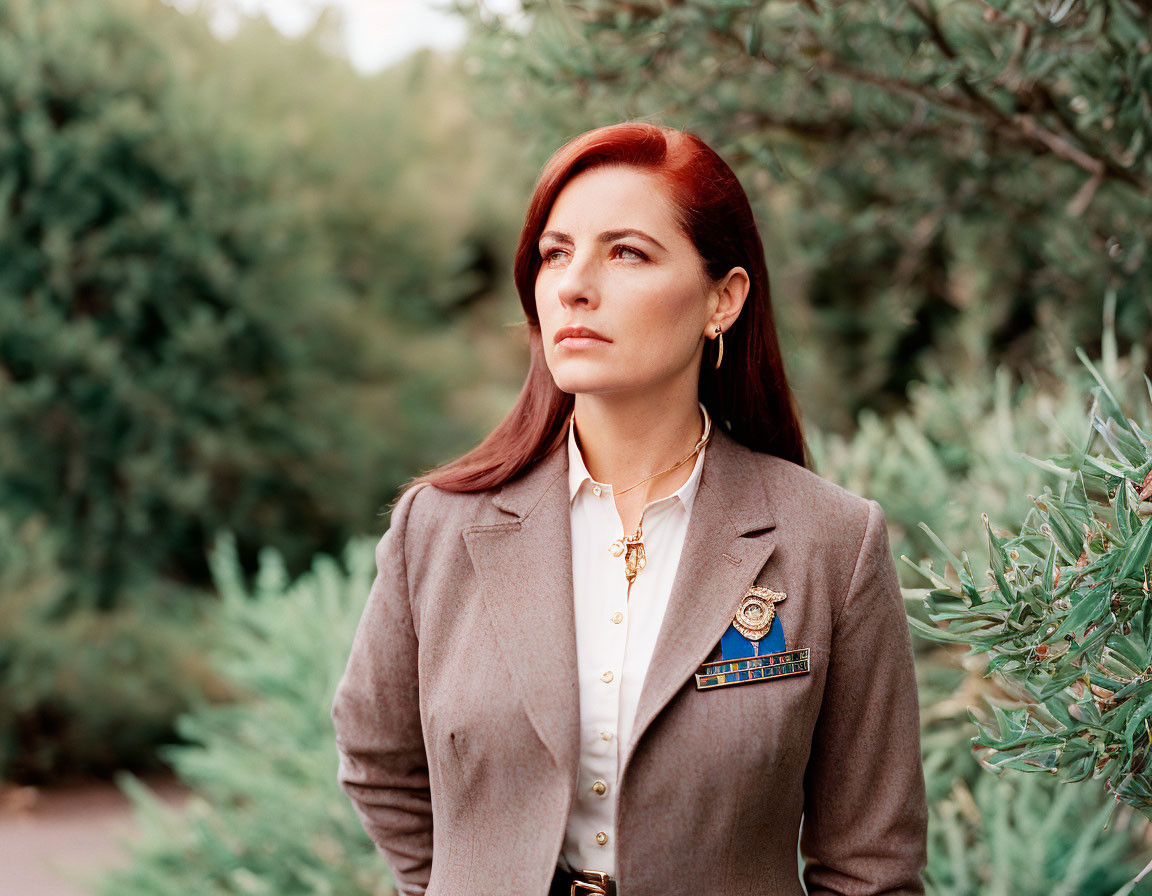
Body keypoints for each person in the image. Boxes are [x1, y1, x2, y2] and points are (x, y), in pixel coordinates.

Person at [330, 121, 927, 896]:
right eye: (555, 253)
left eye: (626, 252)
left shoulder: (832, 543)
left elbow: (873, 865)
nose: (575, 284)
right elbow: (377, 759)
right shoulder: (437, 528)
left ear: (723, 298)